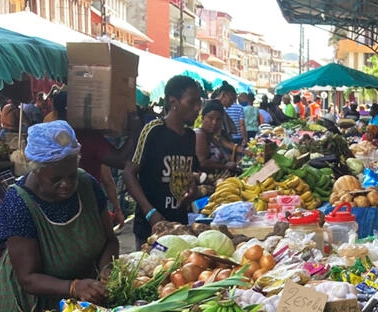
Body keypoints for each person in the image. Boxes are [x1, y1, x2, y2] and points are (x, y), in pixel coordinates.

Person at [0, 120, 119, 312]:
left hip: (83, 295)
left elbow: (110, 240)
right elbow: (28, 277)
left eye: (71, 175)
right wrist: (73, 287)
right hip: (35, 302)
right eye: (56, 179)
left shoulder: (88, 185)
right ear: (36, 170)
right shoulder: (18, 204)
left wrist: (106, 270)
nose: (66, 184)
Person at [124, 75, 202, 247]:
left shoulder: (190, 136)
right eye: (191, 102)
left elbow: (187, 173)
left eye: (199, 103)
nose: (197, 108)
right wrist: (150, 212)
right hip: (151, 226)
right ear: (173, 102)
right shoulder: (153, 130)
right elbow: (129, 173)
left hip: (179, 223)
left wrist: (192, 189)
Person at [47, 91, 135, 228]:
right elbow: (119, 163)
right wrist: (134, 130)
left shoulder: (47, 137)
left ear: (55, 112)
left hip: (54, 214)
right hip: (86, 210)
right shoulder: (89, 137)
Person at [195, 100, 242, 172]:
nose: (214, 123)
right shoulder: (200, 135)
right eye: (210, 118)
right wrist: (225, 166)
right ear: (202, 119)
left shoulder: (212, 137)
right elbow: (203, 163)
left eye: (218, 119)